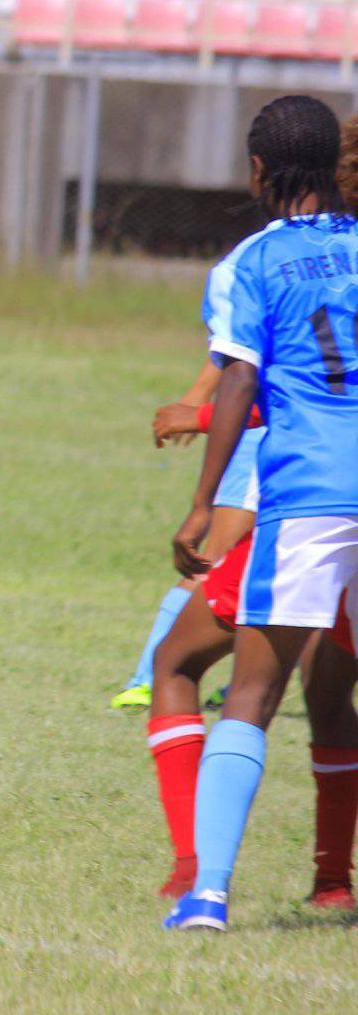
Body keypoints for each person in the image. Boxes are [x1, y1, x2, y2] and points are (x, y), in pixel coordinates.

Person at [164, 96, 358, 932]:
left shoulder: (255, 261)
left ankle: (207, 893)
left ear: (256, 170)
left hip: (312, 496)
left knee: (250, 693)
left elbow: (239, 380)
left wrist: (204, 503)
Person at [108, 360, 259, 712]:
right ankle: (249, 679)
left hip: (275, 434)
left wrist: (200, 409)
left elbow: (244, 356)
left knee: (213, 560)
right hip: (314, 438)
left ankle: (150, 679)